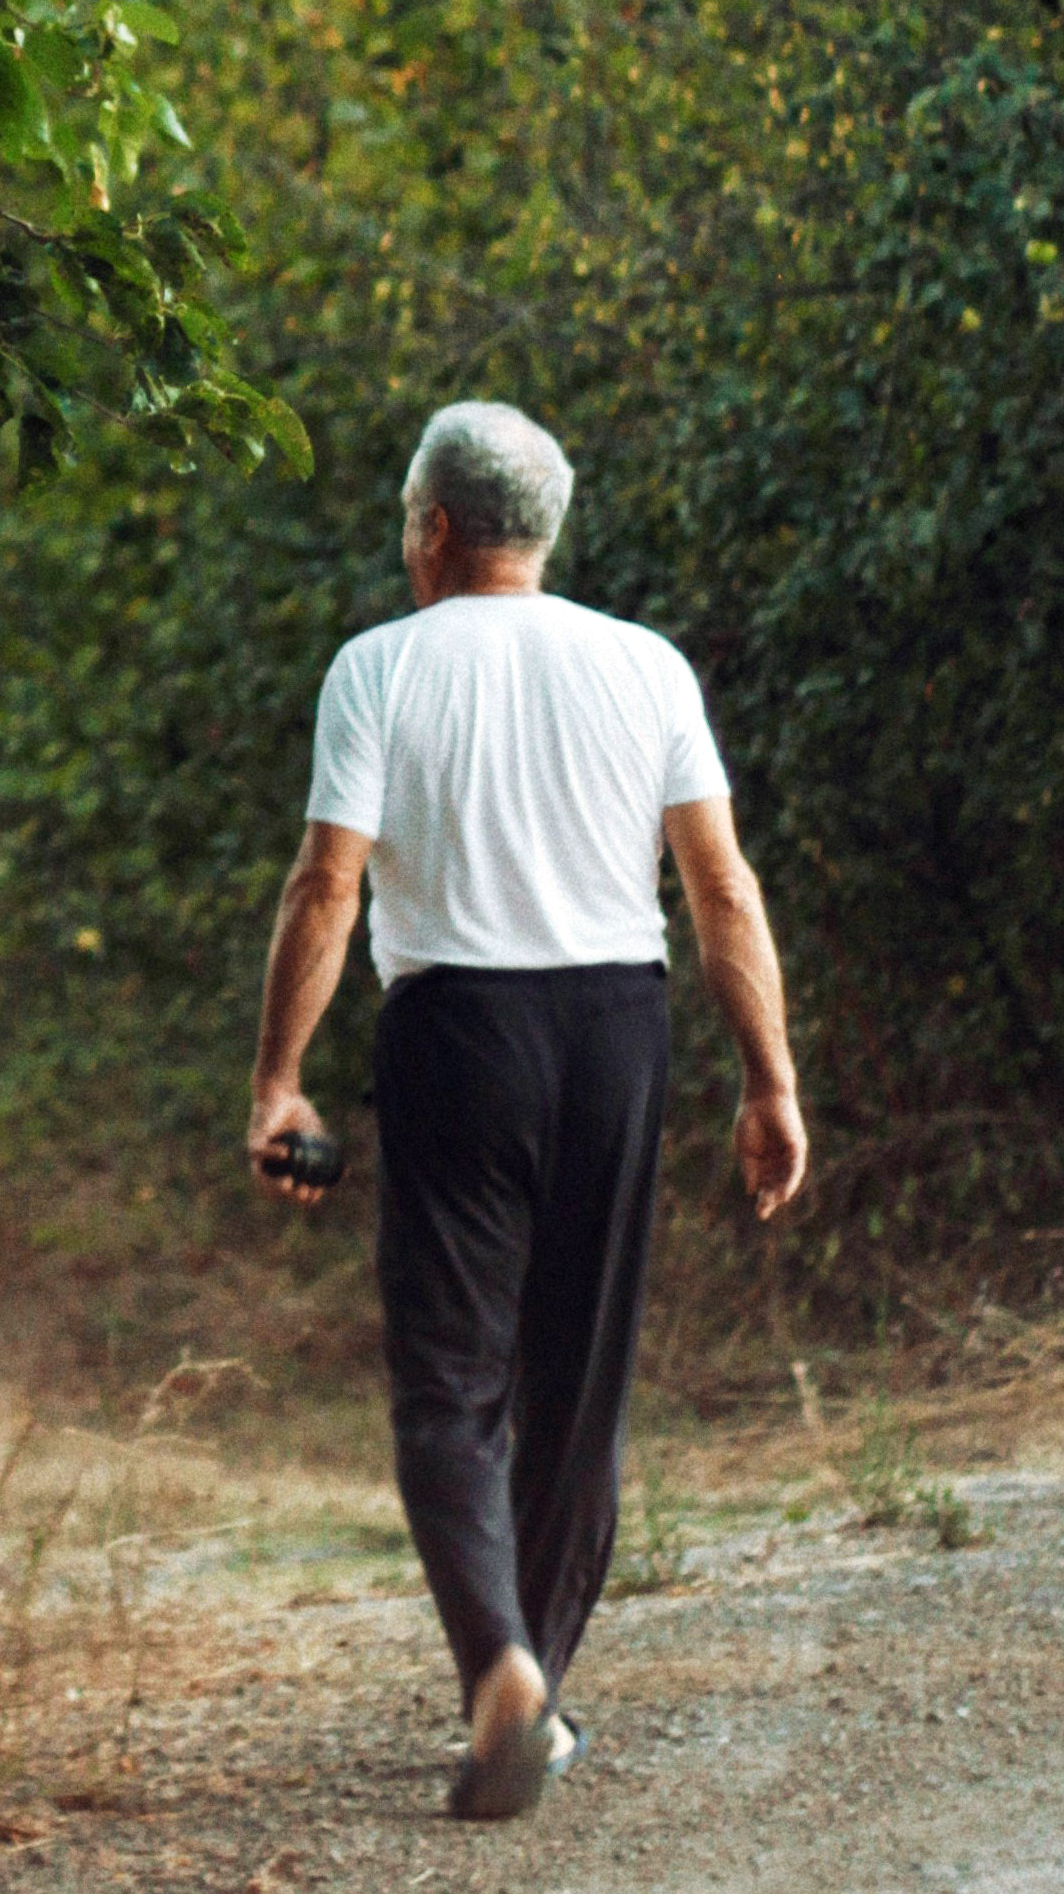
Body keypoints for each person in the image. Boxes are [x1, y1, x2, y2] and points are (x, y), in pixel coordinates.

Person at [244, 401, 808, 1821]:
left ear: (433, 528)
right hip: (619, 1028)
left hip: (460, 1033)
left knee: (450, 1383)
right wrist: (771, 1078)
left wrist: (278, 1077)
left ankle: (499, 1669)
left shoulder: (378, 668)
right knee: (579, 1386)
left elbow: (328, 885)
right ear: (541, 532)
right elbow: (723, 889)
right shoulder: (645, 664)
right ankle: (533, 1694)